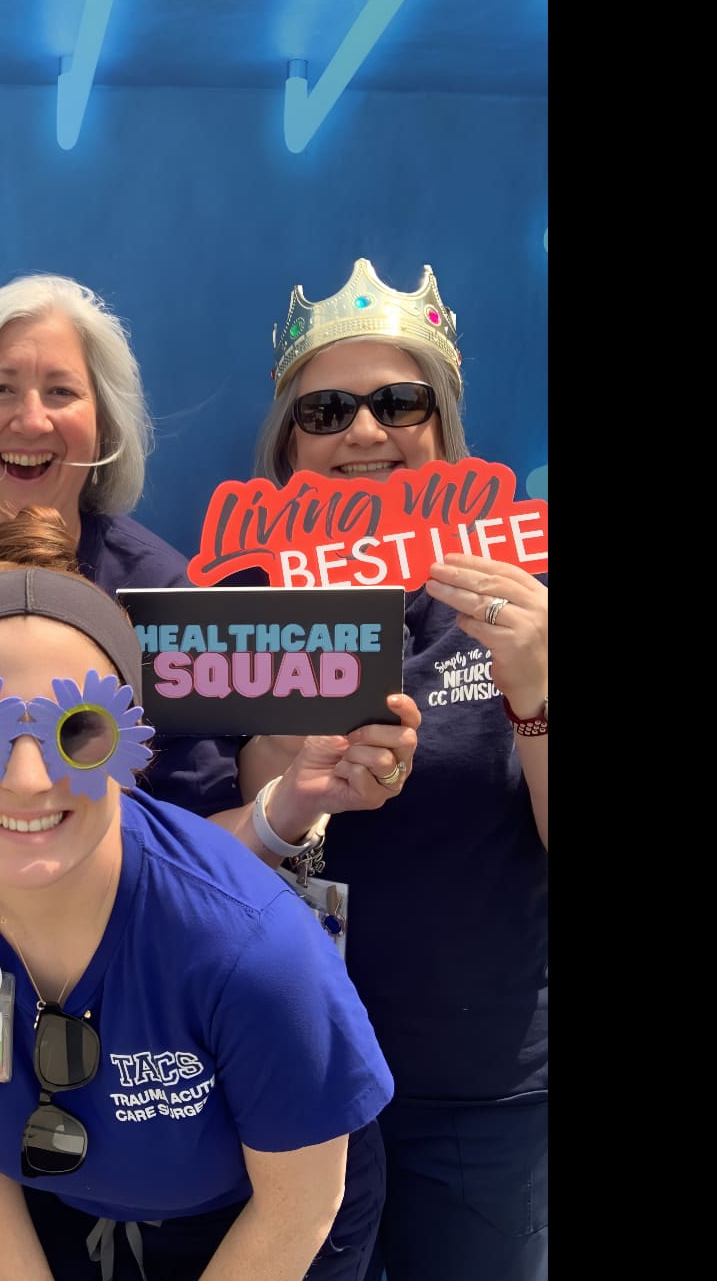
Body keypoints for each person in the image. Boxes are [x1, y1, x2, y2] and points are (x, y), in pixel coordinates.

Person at [0, 273, 419, 1281]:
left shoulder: (162, 591)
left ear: (102, 423)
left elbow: (194, 833)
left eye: (60, 390)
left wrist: (292, 802)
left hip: (103, 1017)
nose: (29, 417)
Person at [0, 505, 395, 1281]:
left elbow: (299, 1201)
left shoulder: (253, 950)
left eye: (77, 731)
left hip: (264, 1218)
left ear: (133, 748)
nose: (26, 781)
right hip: (70, 1206)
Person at [241, 257, 548, 1281]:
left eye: (397, 402)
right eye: (326, 410)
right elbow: (193, 853)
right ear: (288, 445)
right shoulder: (229, 603)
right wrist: (293, 774)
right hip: (281, 1081)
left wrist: (535, 690)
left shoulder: (525, 596)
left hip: (477, 1091)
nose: (364, 435)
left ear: (443, 422)